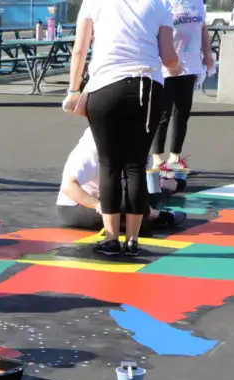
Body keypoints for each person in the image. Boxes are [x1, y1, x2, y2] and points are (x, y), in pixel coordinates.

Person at [62, 0, 182, 258]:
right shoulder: (160, 4)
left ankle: (111, 238)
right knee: (136, 166)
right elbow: (169, 58)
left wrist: (73, 90)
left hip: (106, 86)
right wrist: (179, 67)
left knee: (109, 165)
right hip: (148, 88)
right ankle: (133, 240)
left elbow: (79, 50)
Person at [57, 127, 187, 232]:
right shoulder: (88, 152)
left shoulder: (121, 143)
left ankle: (170, 186)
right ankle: (155, 215)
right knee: (134, 209)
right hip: (77, 206)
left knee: (140, 193)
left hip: (109, 196)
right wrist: (98, 205)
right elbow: (69, 187)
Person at [150, 0, 215, 173]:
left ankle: (175, 157)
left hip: (190, 66)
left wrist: (207, 55)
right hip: (166, 66)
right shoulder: (164, 3)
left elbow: (202, 29)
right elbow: (154, 32)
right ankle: (157, 159)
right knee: (163, 113)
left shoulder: (198, 3)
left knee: (182, 113)